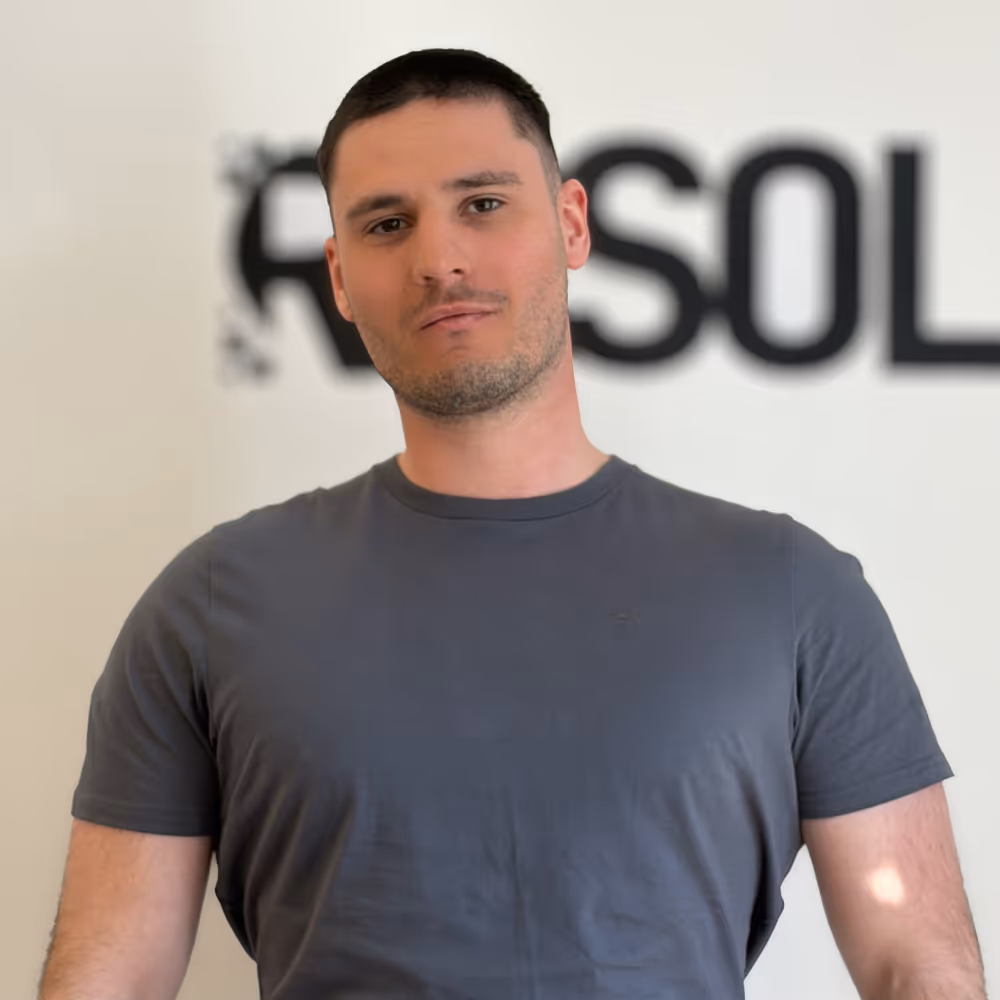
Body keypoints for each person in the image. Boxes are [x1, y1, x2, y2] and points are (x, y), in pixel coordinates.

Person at [41, 48, 986, 1000]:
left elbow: (919, 968)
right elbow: (105, 979)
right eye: (386, 222)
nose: (439, 257)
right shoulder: (209, 606)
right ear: (337, 275)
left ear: (571, 222)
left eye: (483, 204)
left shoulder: (791, 591)